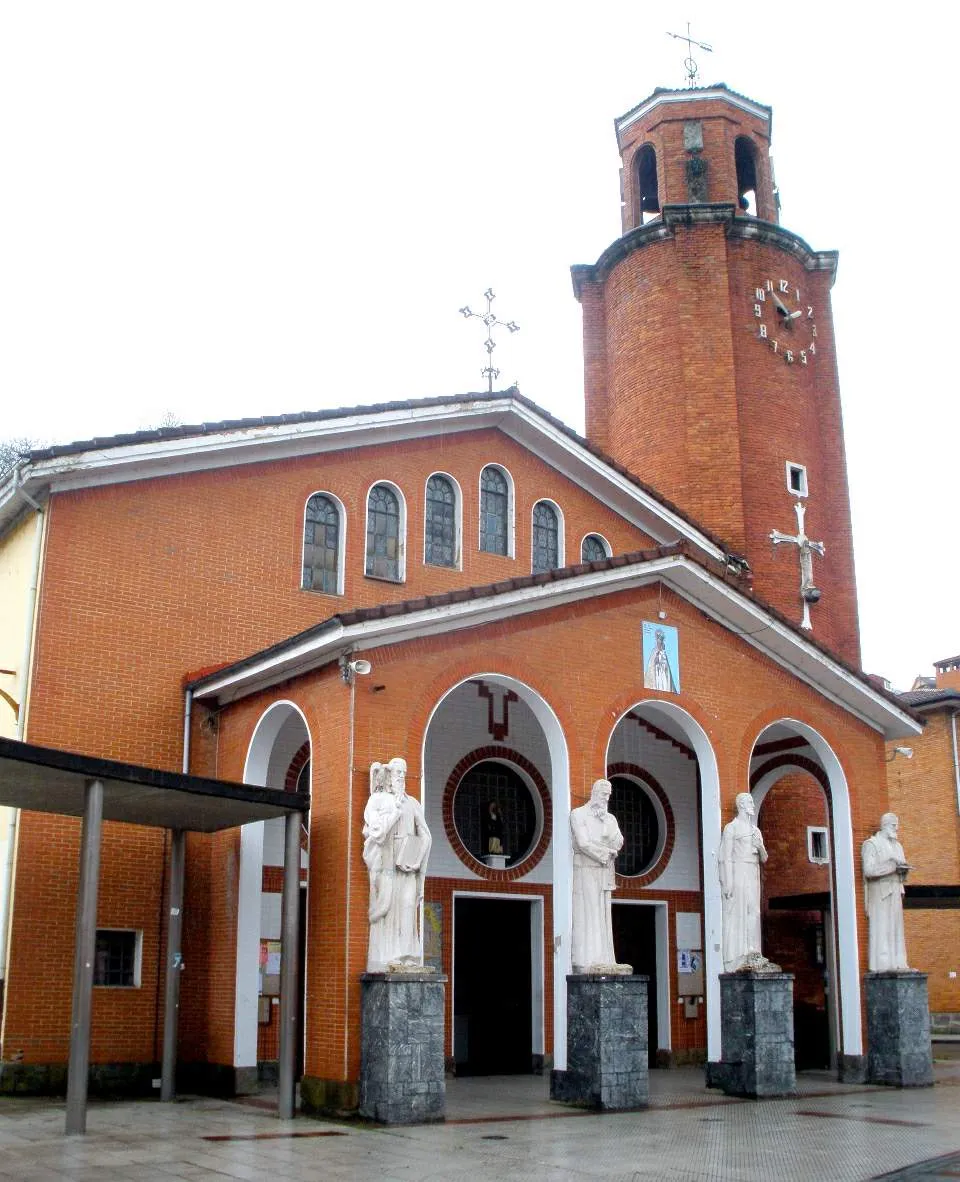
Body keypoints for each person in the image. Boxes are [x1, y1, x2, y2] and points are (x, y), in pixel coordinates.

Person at [362, 756, 432, 972]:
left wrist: (417, 856)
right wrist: (394, 812)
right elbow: (374, 831)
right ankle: (389, 955)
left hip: (409, 865)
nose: (401, 776)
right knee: (390, 908)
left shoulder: (413, 803)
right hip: (388, 865)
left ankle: (408, 955)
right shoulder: (379, 800)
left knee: (409, 905)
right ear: (389, 777)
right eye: (397, 773)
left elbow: (426, 834)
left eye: (403, 773)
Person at [570, 779, 630, 973]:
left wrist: (607, 826)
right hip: (586, 869)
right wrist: (606, 853)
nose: (606, 798)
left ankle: (603, 957)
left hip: (604, 871)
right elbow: (583, 843)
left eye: (608, 795)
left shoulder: (609, 819)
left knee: (603, 914)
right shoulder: (578, 814)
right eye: (604, 794)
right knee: (588, 911)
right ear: (594, 793)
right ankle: (587, 958)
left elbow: (619, 841)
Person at [718, 792, 767, 972]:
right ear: (740, 805)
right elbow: (726, 856)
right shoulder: (731, 828)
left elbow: (764, 857)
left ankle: (752, 948)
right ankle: (738, 953)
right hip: (739, 870)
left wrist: (759, 845)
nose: (752, 805)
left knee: (754, 909)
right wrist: (728, 881)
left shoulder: (756, 830)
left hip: (753, 870)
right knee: (739, 909)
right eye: (749, 802)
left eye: (752, 802)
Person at [862, 813, 911, 972]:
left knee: (896, 929)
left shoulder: (898, 846)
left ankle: (899, 962)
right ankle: (882, 965)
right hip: (880, 891)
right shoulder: (872, 844)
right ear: (884, 825)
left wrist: (902, 870)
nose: (896, 828)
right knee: (882, 927)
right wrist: (891, 867)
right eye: (893, 825)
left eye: (897, 825)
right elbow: (868, 870)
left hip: (896, 888)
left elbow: (901, 867)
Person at [644, 627, 678, 692]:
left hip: (663, 674)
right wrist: (657, 659)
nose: (659, 643)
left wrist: (663, 662)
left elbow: (667, 668)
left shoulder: (664, 653)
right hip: (656, 673)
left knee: (665, 682)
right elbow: (651, 665)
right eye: (659, 640)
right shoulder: (654, 651)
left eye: (661, 641)